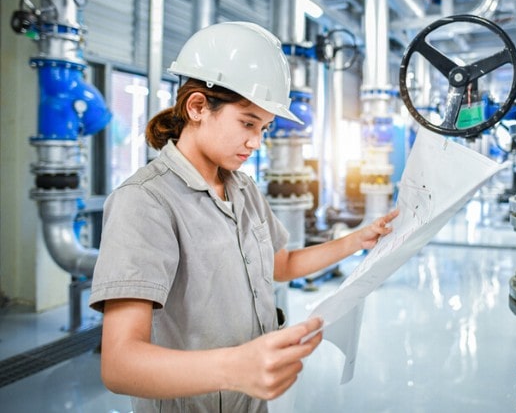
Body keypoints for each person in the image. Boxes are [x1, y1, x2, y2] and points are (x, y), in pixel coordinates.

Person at [88, 21, 399, 412]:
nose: (256, 142)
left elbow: (281, 264)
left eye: (265, 127)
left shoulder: (243, 189)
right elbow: (119, 364)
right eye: (248, 123)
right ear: (197, 106)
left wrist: (357, 239)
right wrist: (235, 368)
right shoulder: (146, 201)